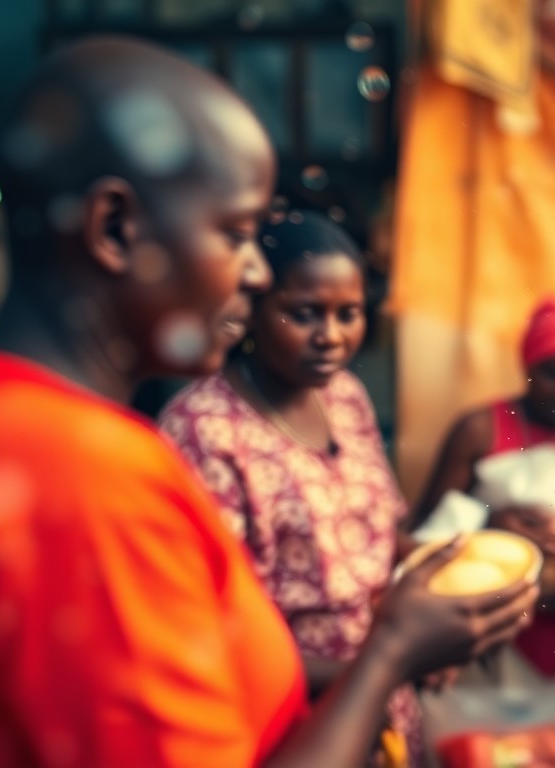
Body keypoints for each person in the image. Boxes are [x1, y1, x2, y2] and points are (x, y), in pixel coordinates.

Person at [0, 37, 536, 768]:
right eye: (235, 233)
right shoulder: (86, 479)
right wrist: (390, 655)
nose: (254, 272)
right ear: (116, 229)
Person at [158, 211, 421, 764]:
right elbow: (217, 634)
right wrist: (391, 660)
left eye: (348, 314)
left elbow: (380, 533)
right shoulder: (205, 431)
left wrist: (439, 588)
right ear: (251, 311)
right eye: (304, 315)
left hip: (382, 695)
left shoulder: (346, 397)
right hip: (290, 720)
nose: (331, 336)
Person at [413, 294, 555, 674]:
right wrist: (489, 528)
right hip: (491, 637)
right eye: (554, 373)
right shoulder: (479, 429)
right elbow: (423, 539)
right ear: (529, 363)